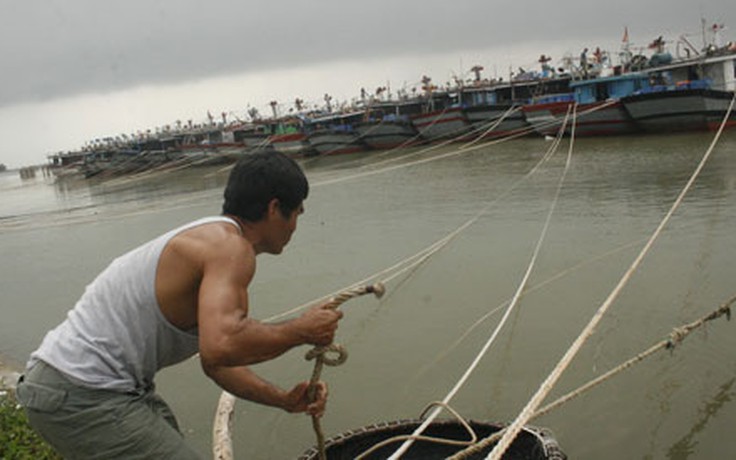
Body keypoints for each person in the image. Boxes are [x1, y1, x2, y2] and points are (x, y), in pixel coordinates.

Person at [15, 151, 343, 459]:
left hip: (81, 388)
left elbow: (217, 363)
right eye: (297, 213)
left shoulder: (215, 242)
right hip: (81, 391)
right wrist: (301, 331)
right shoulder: (230, 248)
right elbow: (223, 345)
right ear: (274, 209)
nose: (295, 227)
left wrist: (284, 400)